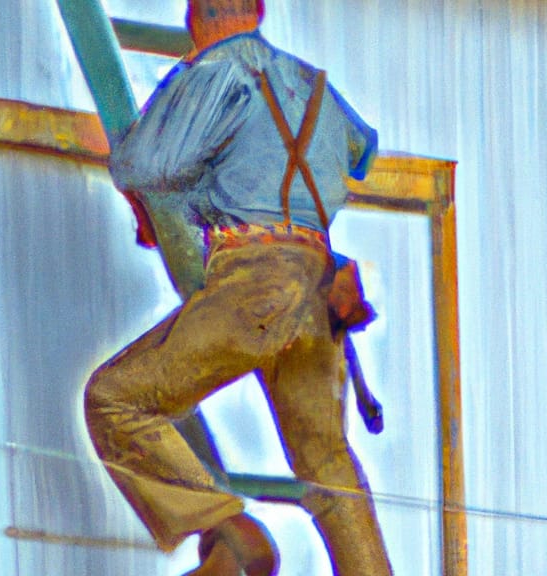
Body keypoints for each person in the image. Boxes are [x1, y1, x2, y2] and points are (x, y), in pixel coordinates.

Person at [84, 1, 392, 573]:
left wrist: (184, 147)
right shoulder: (314, 83)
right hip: (322, 288)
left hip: (255, 277)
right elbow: (361, 150)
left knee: (116, 399)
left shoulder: (214, 71)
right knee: (327, 463)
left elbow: (141, 165)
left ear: (194, 16)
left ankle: (230, 527)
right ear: (260, 10)